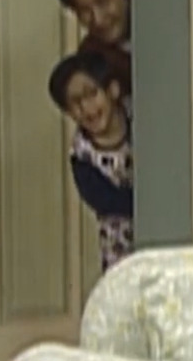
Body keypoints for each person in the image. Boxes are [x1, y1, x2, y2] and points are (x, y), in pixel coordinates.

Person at [47, 48, 133, 272]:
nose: (87, 108)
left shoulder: (138, 116)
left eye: (92, 94)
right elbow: (107, 202)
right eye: (76, 102)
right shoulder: (82, 156)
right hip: (120, 249)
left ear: (112, 90)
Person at [55, 0, 132, 95]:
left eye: (103, 1)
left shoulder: (166, 31)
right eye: (84, 11)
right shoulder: (90, 60)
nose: (98, 19)